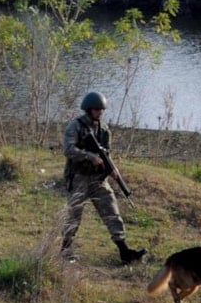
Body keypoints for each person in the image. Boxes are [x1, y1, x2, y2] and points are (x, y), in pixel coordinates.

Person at [61, 91, 148, 264]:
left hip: (98, 178)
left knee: (112, 211)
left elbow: (106, 153)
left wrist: (111, 169)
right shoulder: (75, 126)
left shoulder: (104, 129)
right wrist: (89, 156)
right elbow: (68, 150)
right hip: (78, 177)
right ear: (89, 109)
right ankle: (66, 250)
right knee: (74, 215)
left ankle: (124, 251)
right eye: (96, 109)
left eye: (102, 109)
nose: (100, 112)